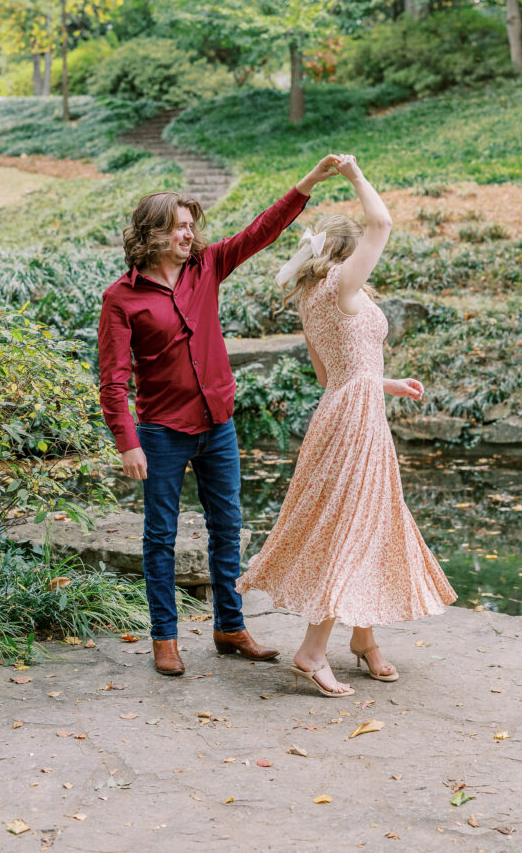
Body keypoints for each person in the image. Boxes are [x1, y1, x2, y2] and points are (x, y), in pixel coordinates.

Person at [97, 156, 342, 676]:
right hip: (162, 432)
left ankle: (229, 626)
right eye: (181, 227)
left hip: (218, 423)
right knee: (160, 537)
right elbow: (113, 380)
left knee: (227, 526)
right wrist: (127, 441)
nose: (190, 234)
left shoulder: (206, 267)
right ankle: (165, 638)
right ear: (154, 233)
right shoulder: (121, 299)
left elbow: (260, 232)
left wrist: (308, 184)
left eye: (192, 226)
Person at [236, 154, 457, 697]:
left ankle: (363, 640)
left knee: (372, 517)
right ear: (343, 252)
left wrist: (388, 383)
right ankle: (312, 652)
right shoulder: (341, 284)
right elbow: (382, 223)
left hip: (344, 407)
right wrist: (355, 174)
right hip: (354, 419)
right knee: (350, 523)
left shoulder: (311, 299)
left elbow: (332, 372)